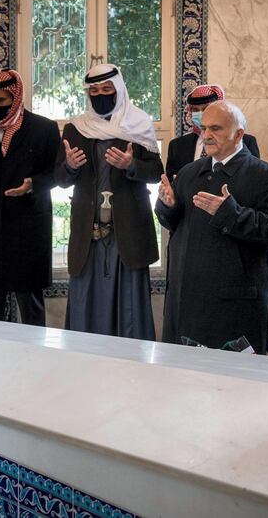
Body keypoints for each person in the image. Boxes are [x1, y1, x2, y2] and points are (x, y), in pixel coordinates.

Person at [156, 101, 268, 354]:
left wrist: (229, 213)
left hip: (234, 303)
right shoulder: (188, 173)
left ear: (239, 134)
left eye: (215, 128)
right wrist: (168, 206)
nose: (206, 135)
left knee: (235, 385)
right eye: (203, 128)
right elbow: (169, 222)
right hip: (186, 299)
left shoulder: (265, 176)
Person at [54, 64, 163, 341]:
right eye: (94, 90)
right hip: (88, 235)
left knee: (129, 310)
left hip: (127, 232)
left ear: (118, 89)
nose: (100, 94)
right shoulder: (76, 130)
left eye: (106, 89)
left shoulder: (137, 125)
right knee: (86, 304)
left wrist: (132, 164)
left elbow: (156, 172)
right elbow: (61, 179)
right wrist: (69, 166)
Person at [0, 68, 60, 326]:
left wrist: (31, 184)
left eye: (2, 101)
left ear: (15, 97)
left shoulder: (44, 129)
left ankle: (35, 360)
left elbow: (55, 173)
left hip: (27, 229)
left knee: (31, 309)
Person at [165, 84, 260, 179]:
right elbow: (170, 182)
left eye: (206, 108)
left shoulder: (246, 141)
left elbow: (253, 178)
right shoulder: (177, 146)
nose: (201, 114)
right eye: (195, 110)